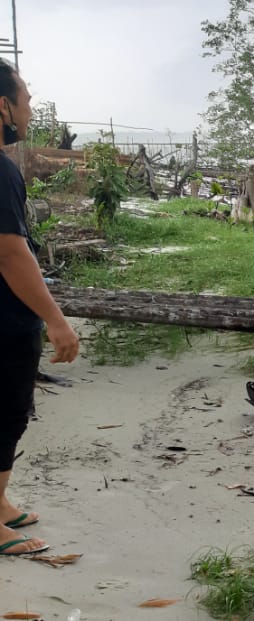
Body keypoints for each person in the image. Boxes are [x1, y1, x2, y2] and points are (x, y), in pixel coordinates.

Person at [0, 60, 81, 556]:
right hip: (4, 322)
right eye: (25, 98)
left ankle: (1, 501)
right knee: (4, 412)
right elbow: (11, 252)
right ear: (2, 106)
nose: (30, 109)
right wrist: (56, 321)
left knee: (10, 414)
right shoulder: (0, 171)